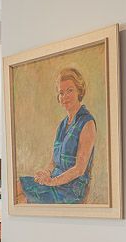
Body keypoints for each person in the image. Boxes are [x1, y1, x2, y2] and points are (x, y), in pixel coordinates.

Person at [16, 67, 96, 204]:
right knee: (16, 186)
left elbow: (79, 169)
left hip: (71, 191)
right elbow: (53, 162)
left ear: (79, 91)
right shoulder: (62, 125)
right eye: (61, 93)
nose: (65, 96)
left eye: (70, 90)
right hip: (54, 182)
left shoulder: (87, 123)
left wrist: (52, 181)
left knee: (22, 200)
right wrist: (46, 173)